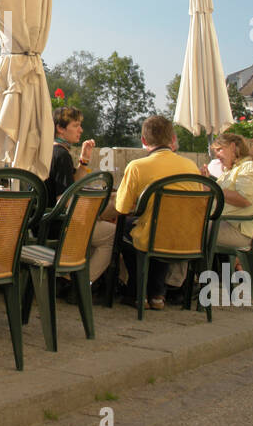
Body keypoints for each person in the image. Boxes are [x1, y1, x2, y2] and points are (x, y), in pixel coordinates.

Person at [115, 115, 201, 310]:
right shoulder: (191, 167)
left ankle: (137, 293)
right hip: (189, 239)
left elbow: (122, 208)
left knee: (128, 230)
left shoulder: (137, 167)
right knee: (160, 225)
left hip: (154, 238)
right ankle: (157, 294)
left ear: (144, 141)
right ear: (172, 140)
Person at [43, 106, 117, 285]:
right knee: (113, 234)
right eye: (76, 125)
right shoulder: (61, 155)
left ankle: (70, 276)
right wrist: (92, 213)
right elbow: (64, 200)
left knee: (99, 230)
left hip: (45, 221)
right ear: (60, 128)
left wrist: (84, 160)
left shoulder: (52, 151)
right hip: (58, 225)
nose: (81, 130)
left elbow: (70, 185)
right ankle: (78, 285)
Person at [207, 132, 253, 260]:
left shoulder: (248, 168)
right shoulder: (230, 171)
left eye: (220, 149)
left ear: (233, 147)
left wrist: (213, 189)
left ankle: (174, 279)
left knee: (189, 230)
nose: (217, 155)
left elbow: (244, 199)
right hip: (221, 223)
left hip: (236, 230)